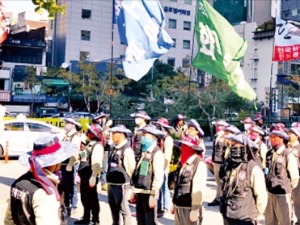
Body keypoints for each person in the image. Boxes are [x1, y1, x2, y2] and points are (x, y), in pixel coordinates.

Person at [4, 134, 77, 225]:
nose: (60, 165)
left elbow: (9, 220)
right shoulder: (45, 193)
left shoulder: (19, 182)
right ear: (53, 163)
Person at [220, 134, 268, 225]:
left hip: (245, 217)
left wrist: (256, 214)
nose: (233, 148)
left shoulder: (253, 168)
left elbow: (261, 196)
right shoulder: (230, 166)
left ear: (245, 148)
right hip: (228, 213)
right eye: (232, 145)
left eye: (236, 145)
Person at [131, 125, 165, 225]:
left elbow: (158, 176)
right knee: (140, 220)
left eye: (145, 135)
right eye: (143, 135)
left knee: (150, 221)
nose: (143, 137)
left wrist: (153, 194)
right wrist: (134, 190)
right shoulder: (145, 152)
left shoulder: (156, 153)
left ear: (153, 137)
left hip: (149, 192)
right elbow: (141, 173)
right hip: (141, 191)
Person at [265, 129, 299, 225]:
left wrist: (288, 188)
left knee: (285, 221)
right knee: (269, 221)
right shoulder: (269, 154)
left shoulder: (288, 155)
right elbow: (266, 170)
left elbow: (294, 177)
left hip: (282, 195)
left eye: (275, 138)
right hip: (270, 193)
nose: (272, 140)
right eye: (271, 137)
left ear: (282, 140)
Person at [172, 135, 207, 225]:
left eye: (186, 146)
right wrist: (174, 202)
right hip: (179, 204)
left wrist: (195, 209)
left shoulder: (198, 163)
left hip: (189, 206)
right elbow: (178, 184)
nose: (183, 148)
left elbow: (198, 188)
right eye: (182, 145)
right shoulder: (183, 163)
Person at [106, 124, 136, 225]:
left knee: (124, 210)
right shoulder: (114, 148)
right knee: (113, 209)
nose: (112, 135)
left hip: (122, 185)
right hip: (112, 184)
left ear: (121, 134)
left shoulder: (126, 149)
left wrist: (132, 187)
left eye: (114, 133)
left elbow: (131, 169)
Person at [75, 123, 104, 225]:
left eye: (89, 131)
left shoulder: (97, 146)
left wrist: (94, 176)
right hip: (84, 175)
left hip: (90, 175)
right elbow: (83, 157)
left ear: (93, 134)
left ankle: (95, 219)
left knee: (92, 198)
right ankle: (86, 217)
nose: (87, 133)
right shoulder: (88, 144)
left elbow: (97, 163)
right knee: (84, 197)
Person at [60, 117, 82, 216]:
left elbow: (74, 152)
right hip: (64, 164)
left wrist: (70, 164)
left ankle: (73, 206)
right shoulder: (65, 136)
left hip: (72, 164)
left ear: (73, 125)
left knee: (73, 186)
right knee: (65, 185)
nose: (65, 124)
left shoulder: (75, 136)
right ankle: (66, 205)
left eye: (67, 123)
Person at [154, 118, 174, 218]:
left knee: (164, 187)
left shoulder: (167, 139)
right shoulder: (156, 137)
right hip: (154, 164)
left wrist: (163, 168)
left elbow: (167, 156)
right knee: (156, 187)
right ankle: (156, 207)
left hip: (162, 166)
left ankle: (165, 208)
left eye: (159, 125)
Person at [208, 119, 229, 206]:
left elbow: (226, 151)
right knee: (218, 181)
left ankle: (222, 199)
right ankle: (218, 197)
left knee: (222, 181)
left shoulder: (225, 137)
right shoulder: (218, 136)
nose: (217, 127)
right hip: (216, 161)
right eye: (216, 125)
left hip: (222, 162)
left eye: (219, 125)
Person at [92, 112, 111, 191]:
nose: (103, 119)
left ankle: (103, 182)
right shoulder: (96, 127)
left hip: (144, 157)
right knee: (98, 165)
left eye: (104, 118)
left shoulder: (107, 129)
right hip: (98, 149)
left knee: (104, 167)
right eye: (101, 118)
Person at [288, 126, 300, 225]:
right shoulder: (287, 147)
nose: (289, 135)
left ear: (297, 135)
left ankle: (298, 219)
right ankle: (290, 218)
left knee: (296, 200)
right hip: (286, 178)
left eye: (291, 133)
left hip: (297, 178)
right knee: (288, 200)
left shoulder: (299, 148)